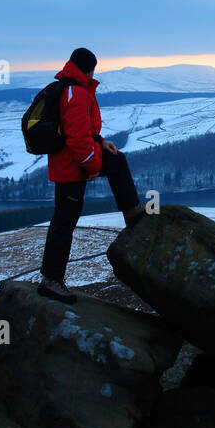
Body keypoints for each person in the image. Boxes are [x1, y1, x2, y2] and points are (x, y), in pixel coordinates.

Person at [38, 47, 145, 303]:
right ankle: (51, 281)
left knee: (117, 161)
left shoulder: (72, 86)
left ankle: (133, 214)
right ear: (90, 68)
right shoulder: (76, 91)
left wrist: (101, 142)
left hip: (73, 163)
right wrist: (92, 166)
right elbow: (76, 139)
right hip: (70, 169)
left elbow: (83, 131)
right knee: (64, 222)